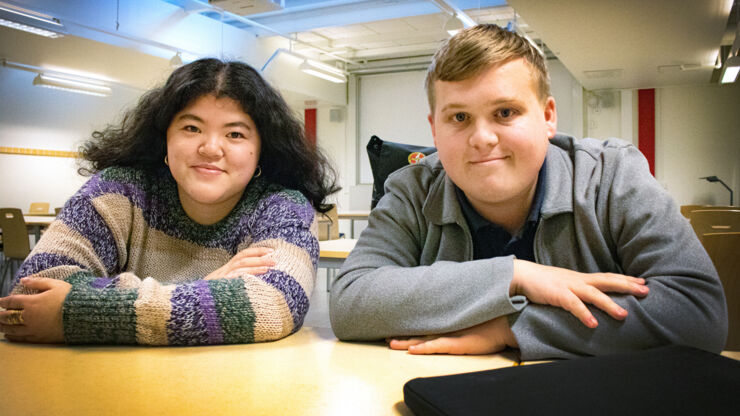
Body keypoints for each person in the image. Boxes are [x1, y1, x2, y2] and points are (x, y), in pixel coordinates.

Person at [329, 24, 727, 360]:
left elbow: (698, 314)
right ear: (435, 129)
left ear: (548, 116)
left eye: (505, 112)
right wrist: (515, 275)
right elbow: (350, 302)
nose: (482, 138)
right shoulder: (410, 189)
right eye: (460, 118)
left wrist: (510, 327)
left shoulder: (614, 175)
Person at [0, 58, 339, 345]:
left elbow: (274, 303)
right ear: (165, 136)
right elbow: (28, 299)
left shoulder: (281, 207)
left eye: (235, 134)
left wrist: (77, 311)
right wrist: (204, 291)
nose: (210, 147)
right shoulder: (119, 191)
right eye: (192, 128)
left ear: (262, 148)